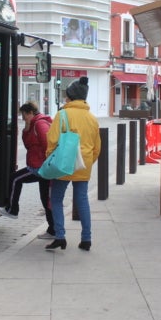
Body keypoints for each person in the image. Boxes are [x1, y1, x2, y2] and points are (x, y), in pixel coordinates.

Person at [44, 77, 101, 251]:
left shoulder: (62, 115)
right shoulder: (92, 118)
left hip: (64, 164)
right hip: (84, 165)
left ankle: (60, 236)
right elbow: (97, 146)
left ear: (70, 97)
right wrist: (88, 162)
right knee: (82, 200)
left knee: (56, 198)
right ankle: (86, 239)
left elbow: (52, 142)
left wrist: (50, 161)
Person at [0, 102, 55, 238]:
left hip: (40, 167)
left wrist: (44, 163)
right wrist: (27, 129)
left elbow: (47, 144)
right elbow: (28, 144)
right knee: (45, 198)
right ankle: (53, 230)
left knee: (15, 179)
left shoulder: (40, 124)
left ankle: (12, 209)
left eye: (23, 115)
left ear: (30, 113)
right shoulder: (34, 124)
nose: (22, 119)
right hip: (40, 166)